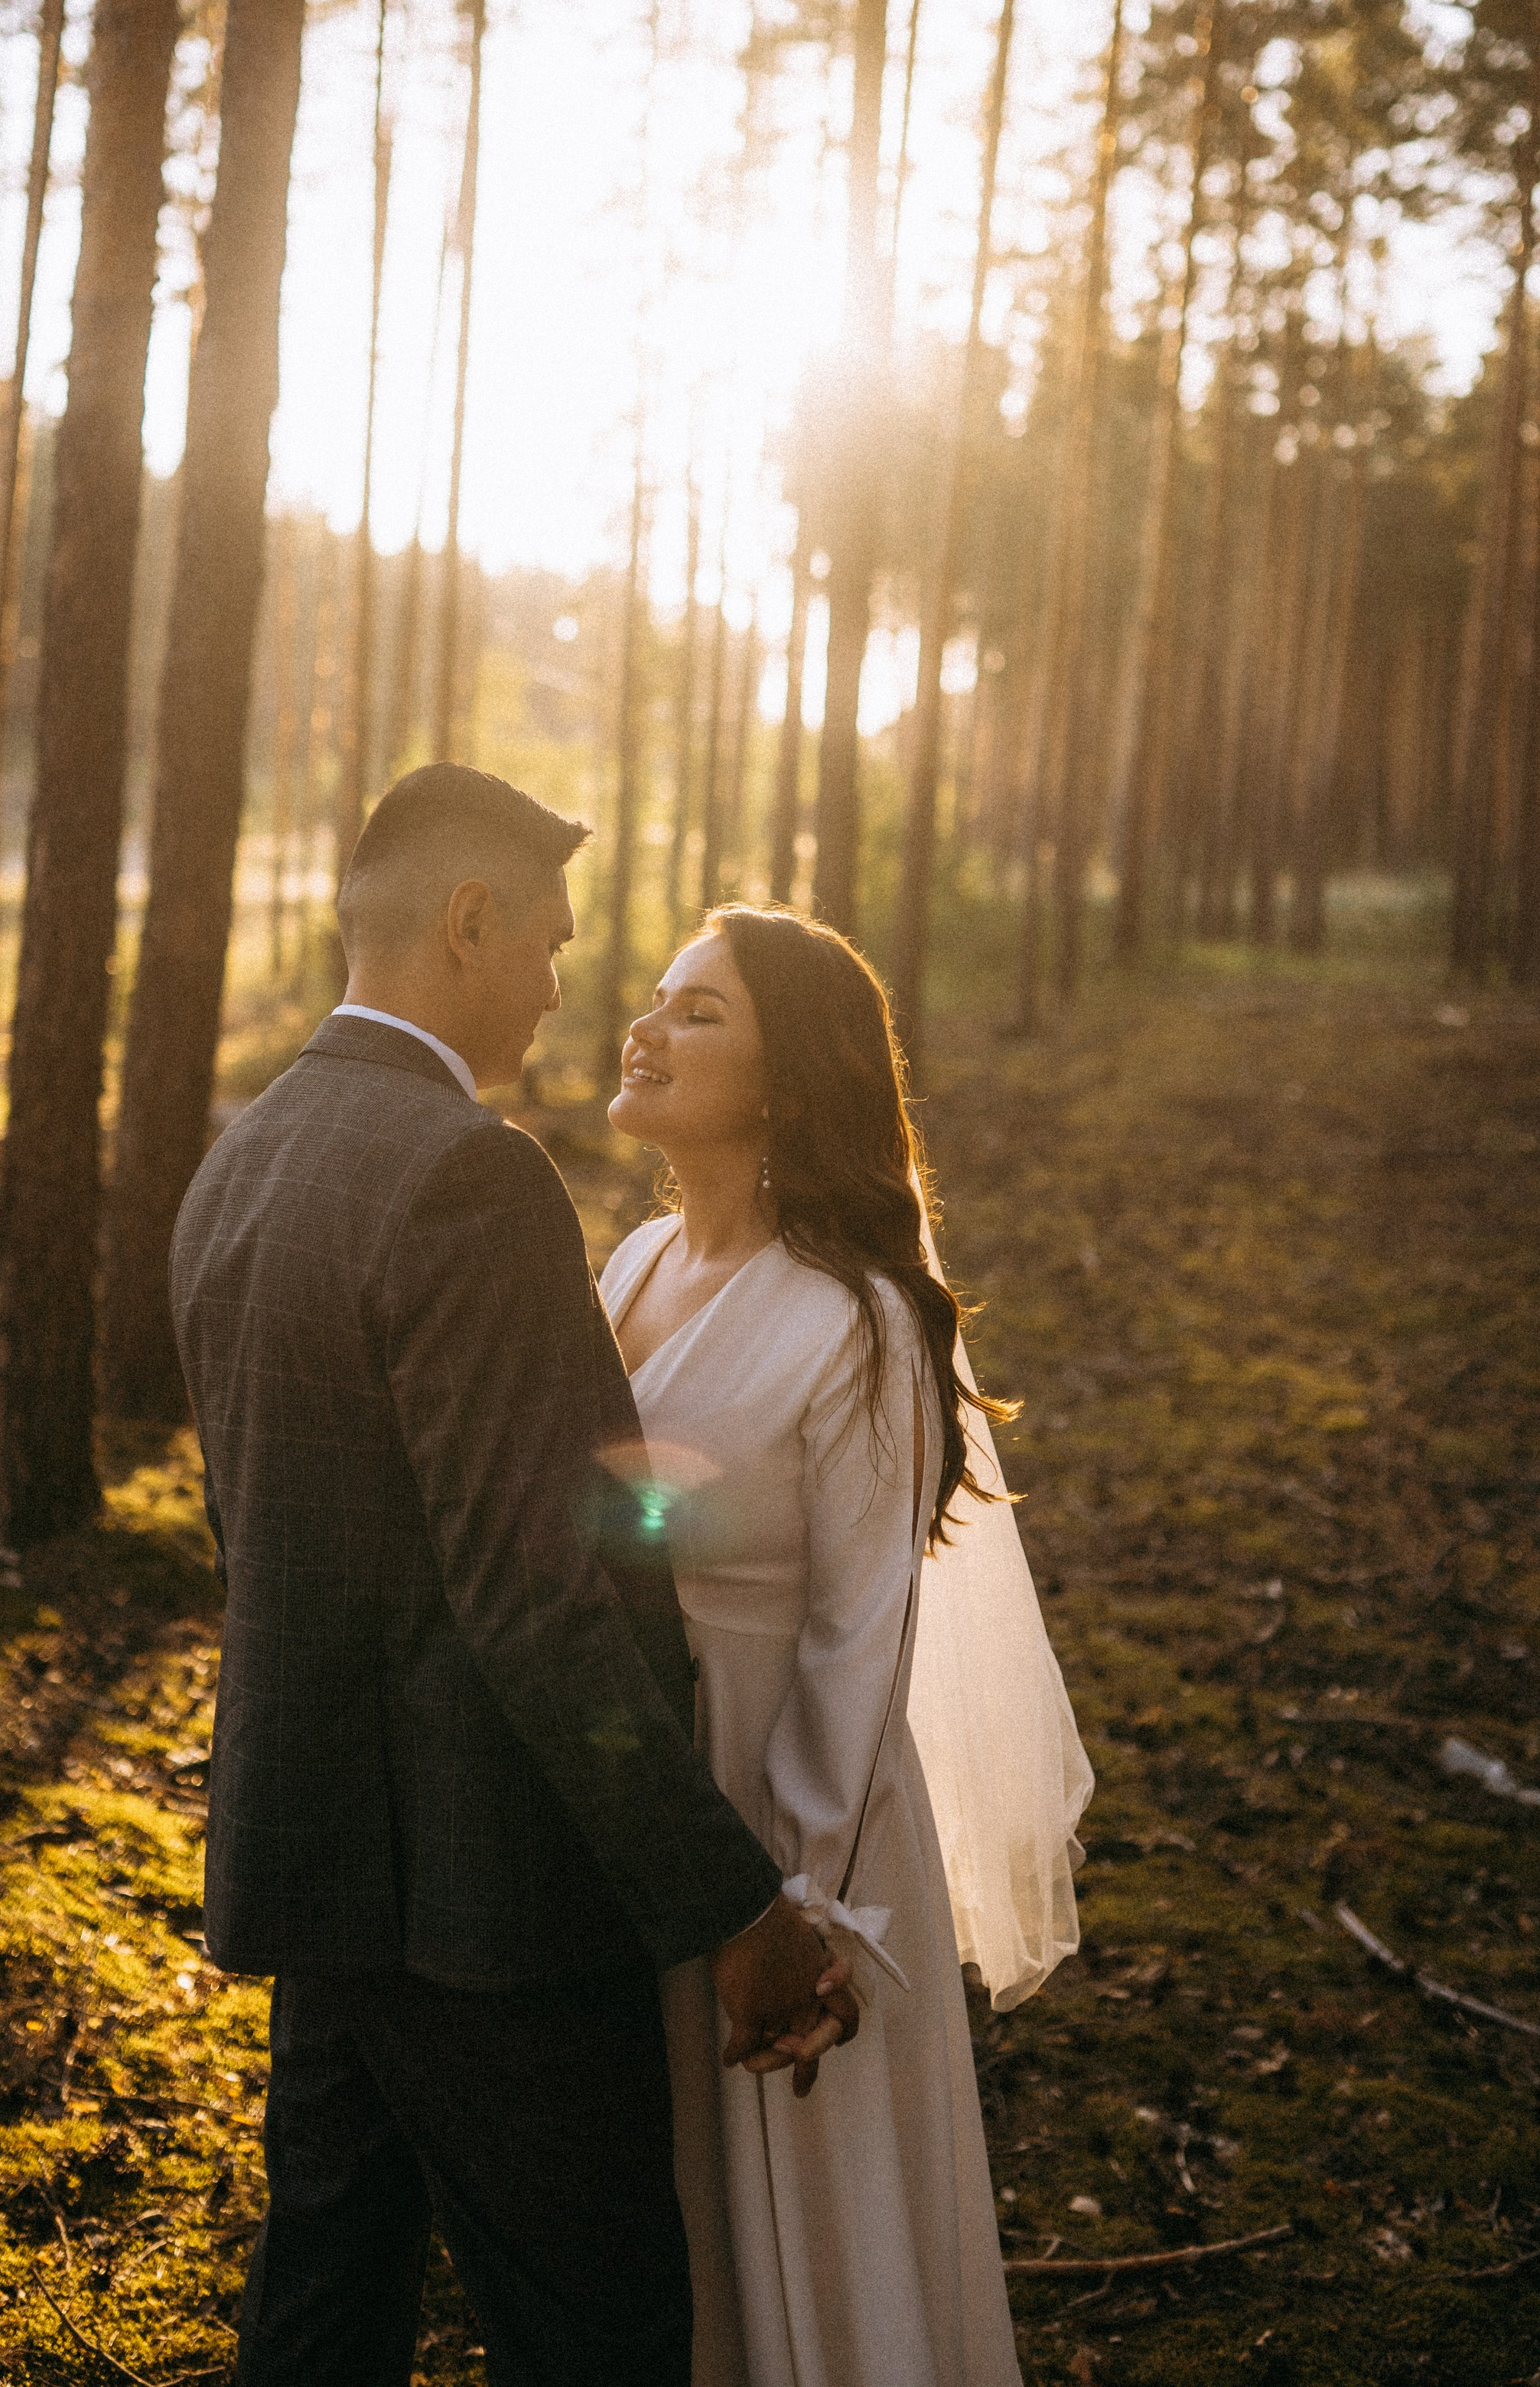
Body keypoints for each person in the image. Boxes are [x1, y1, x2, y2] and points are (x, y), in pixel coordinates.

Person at [171, 767, 855, 2387]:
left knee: (322, 2315)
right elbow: (535, 1597)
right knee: (598, 2332)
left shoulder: (244, 1160)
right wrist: (725, 1900)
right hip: (493, 1912)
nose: (561, 986)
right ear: (468, 922)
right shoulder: (467, 1178)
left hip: (317, 1870)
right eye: (546, 940)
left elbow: (267, 1537)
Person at [605, 904, 1093, 2387]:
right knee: (659, 2209)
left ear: (788, 1080)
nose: (645, 1027)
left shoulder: (859, 1322)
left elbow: (851, 1642)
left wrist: (796, 1906)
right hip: (641, 1794)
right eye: (657, 996)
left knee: (799, 2219)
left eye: (700, 1014)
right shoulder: (622, 1268)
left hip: (783, 1806)